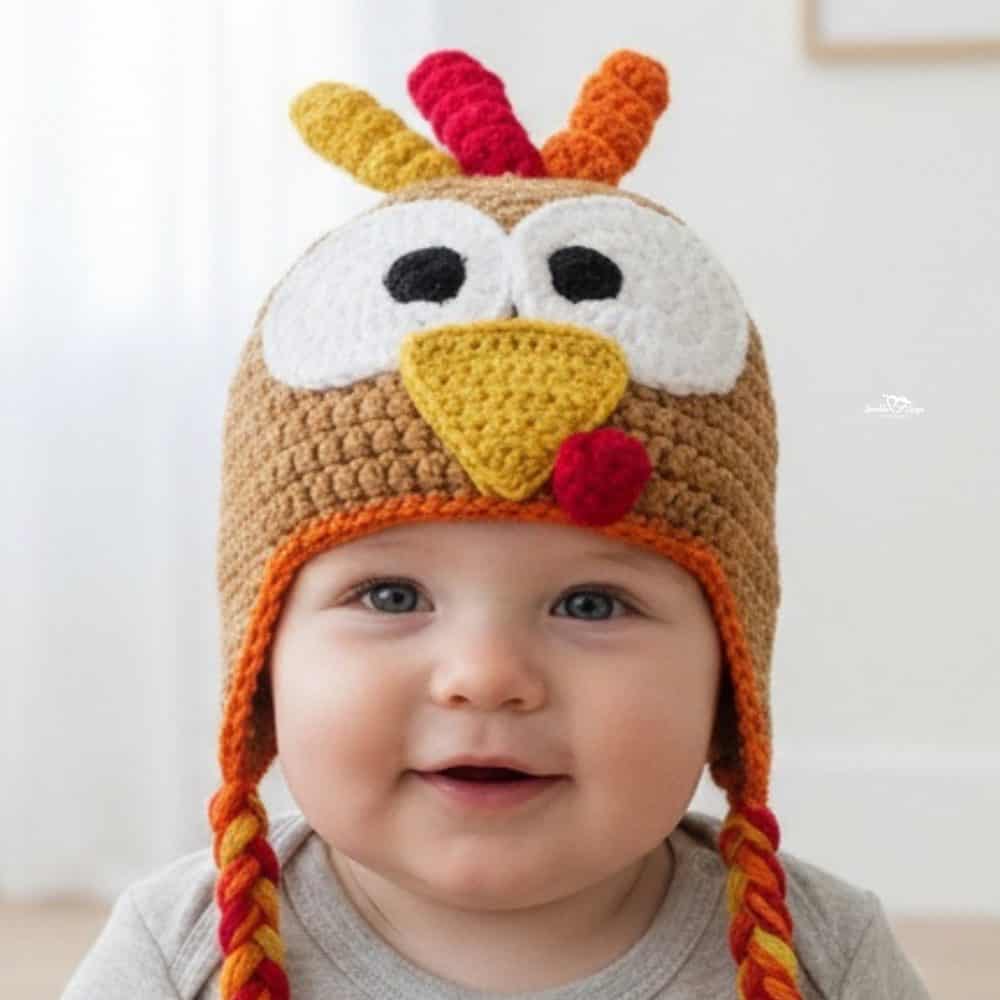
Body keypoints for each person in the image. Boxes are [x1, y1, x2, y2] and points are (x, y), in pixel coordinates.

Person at [62, 48, 932, 1000]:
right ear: (260, 663)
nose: (486, 678)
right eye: (391, 594)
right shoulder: (178, 952)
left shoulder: (821, 958)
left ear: (731, 677)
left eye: (594, 603)